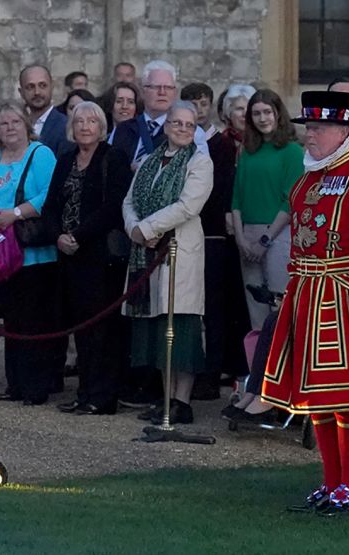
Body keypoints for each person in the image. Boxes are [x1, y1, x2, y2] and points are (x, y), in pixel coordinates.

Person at [259, 91, 349, 517]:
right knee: (318, 402)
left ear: (345, 133)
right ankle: (329, 481)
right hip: (307, 296)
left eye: (320, 128)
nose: (311, 135)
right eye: (309, 127)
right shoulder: (306, 180)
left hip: (347, 304)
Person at [121, 100, 213, 425]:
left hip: (179, 251)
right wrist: (134, 228)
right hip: (146, 253)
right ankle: (164, 398)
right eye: (177, 123)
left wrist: (146, 228)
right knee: (159, 327)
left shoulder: (200, 163)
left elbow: (188, 206)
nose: (183, 129)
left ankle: (182, 401)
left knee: (181, 326)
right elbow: (130, 199)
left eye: (190, 125)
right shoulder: (149, 161)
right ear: (167, 125)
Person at [45, 101, 134, 415]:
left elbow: (113, 207)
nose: (85, 126)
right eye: (79, 121)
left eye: (91, 121)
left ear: (101, 127)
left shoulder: (114, 158)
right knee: (81, 327)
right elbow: (51, 205)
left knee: (103, 328)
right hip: (69, 257)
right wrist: (58, 236)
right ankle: (84, 392)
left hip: (99, 256)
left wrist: (78, 236)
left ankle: (103, 395)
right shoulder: (66, 159)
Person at [0, 104, 60, 405]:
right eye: (3, 123)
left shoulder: (41, 154)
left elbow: (49, 194)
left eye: (15, 121)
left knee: (35, 320)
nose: (10, 127)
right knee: (13, 320)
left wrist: (14, 213)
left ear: (26, 125)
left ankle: (37, 386)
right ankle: (16, 383)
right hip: (1, 253)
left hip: (35, 253)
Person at [185, 82, 249, 393]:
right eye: (192, 103)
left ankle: (211, 372)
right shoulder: (182, 142)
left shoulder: (221, 146)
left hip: (212, 235)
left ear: (211, 106)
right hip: (185, 234)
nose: (198, 109)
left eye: (203, 103)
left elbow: (223, 190)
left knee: (214, 307)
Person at [231, 89, 302, 331]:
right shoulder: (246, 150)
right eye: (256, 114)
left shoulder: (292, 152)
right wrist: (241, 238)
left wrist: (265, 239)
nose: (262, 119)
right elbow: (237, 197)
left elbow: (290, 200)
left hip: (278, 234)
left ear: (277, 114)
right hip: (247, 234)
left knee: (278, 304)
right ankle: (259, 366)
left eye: (267, 112)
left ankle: (280, 366)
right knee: (255, 308)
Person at [113, 60, 208, 167]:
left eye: (168, 87)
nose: (162, 92)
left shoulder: (191, 131)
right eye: (156, 87)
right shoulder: (123, 129)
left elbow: (200, 169)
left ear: (175, 92)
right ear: (143, 91)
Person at [20, 64, 66, 150]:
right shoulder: (15, 125)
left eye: (43, 85)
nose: (37, 92)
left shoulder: (64, 126)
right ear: (21, 92)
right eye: (30, 87)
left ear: (52, 88)